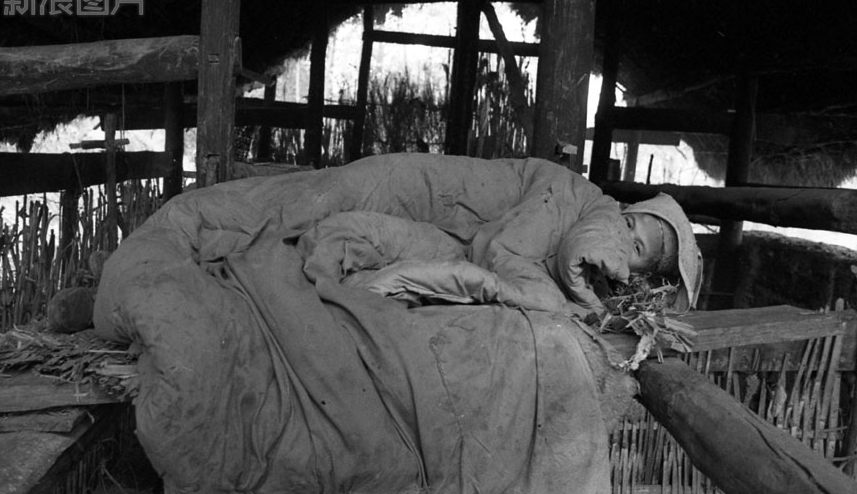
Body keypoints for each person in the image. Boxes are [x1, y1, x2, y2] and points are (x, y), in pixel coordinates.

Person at [297, 186, 703, 316]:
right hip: (462, 242)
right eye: (629, 224)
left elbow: (484, 282)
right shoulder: (583, 205)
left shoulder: (581, 304)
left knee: (374, 277)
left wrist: (389, 282)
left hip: (462, 266)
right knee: (351, 228)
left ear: (638, 275)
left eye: (636, 248)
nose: (624, 239)